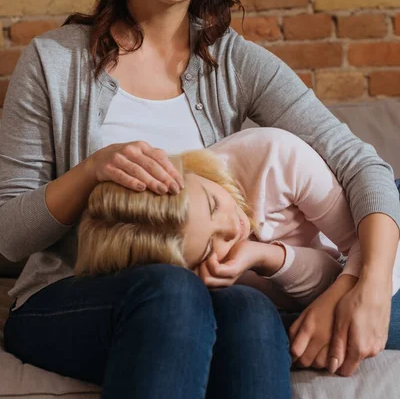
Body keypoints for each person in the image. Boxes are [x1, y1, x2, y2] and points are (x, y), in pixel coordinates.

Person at [0, 0, 398, 398]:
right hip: (73, 299)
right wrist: (92, 171)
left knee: (248, 308)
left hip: (209, 301)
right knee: (171, 289)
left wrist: (368, 285)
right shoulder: (52, 62)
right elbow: (7, 237)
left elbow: (361, 163)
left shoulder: (237, 65)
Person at [73, 126, 400, 375]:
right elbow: (328, 282)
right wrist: (265, 258)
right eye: (211, 244)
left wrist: (353, 294)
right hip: (338, 265)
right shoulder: (203, 271)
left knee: (357, 322)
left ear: (192, 173)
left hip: (381, 221)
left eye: (214, 203)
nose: (233, 228)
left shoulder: (272, 156)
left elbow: (368, 250)